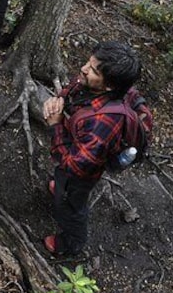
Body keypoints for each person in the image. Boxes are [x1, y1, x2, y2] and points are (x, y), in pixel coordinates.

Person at [42, 41, 153, 256]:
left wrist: (55, 125)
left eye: (93, 70)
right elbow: (74, 86)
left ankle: (71, 244)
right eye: (88, 63)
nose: (83, 69)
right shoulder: (94, 82)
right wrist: (61, 98)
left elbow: (77, 166)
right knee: (63, 180)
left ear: (109, 86)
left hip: (83, 170)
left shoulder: (103, 123)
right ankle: (61, 188)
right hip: (81, 147)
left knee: (73, 205)